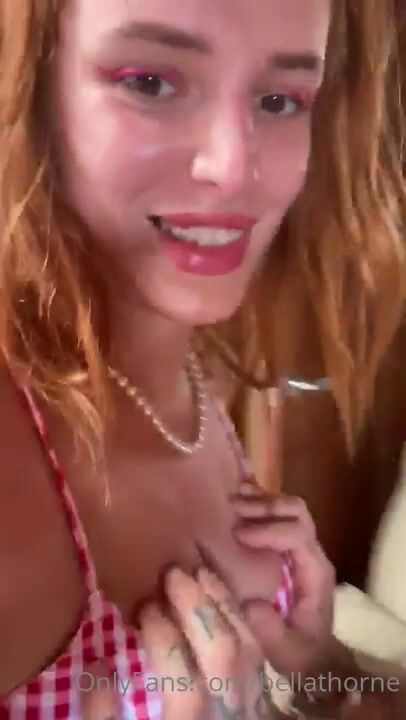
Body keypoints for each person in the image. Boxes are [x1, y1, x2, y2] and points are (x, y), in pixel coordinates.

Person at [0, 0, 404, 718]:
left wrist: (324, 671)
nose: (234, 168)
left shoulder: (196, 364)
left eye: (279, 100)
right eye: (149, 83)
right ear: (28, 89)